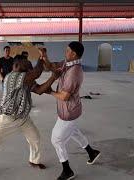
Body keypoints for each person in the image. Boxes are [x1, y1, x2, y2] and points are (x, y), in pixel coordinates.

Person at [0, 57, 59, 180]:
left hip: (23, 117)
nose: (29, 64)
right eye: (27, 62)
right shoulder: (12, 77)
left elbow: (39, 90)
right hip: (6, 119)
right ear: (17, 64)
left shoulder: (26, 78)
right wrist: (40, 59)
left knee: (35, 138)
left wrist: (53, 77)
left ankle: (33, 160)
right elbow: (36, 73)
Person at [44, 42, 101, 180]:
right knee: (73, 132)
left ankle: (67, 170)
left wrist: (50, 91)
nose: (65, 52)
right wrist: (44, 57)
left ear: (74, 54)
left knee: (56, 140)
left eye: (67, 50)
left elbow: (64, 96)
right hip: (72, 110)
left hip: (68, 112)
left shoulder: (74, 72)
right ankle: (91, 152)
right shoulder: (67, 63)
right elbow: (52, 66)